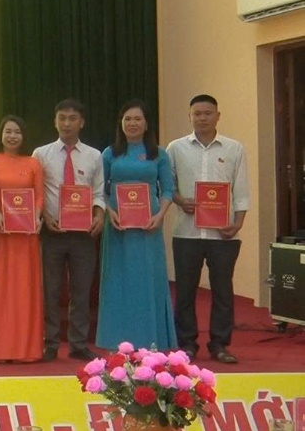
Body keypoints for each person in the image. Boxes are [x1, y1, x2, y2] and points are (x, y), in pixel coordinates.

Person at [167, 94, 250, 364]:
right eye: (197, 113)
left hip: (223, 234)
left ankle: (220, 344)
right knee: (185, 291)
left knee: (223, 291)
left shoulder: (234, 148)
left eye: (207, 113)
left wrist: (238, 222)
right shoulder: (175, 148)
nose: (202, 118)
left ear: (218, 116)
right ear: (190, 116)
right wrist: (180, 200)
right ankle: (187, 344)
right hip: (186, 232)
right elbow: (167, 185)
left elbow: (241, 189)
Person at [98, 100, 176, 351]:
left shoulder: (159, 154)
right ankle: (116, 341)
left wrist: (160, 215)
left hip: (149, 226)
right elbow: (100, 190)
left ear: (146, 124)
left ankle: (151, 339)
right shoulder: (109, 153)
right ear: (121, 124)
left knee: (147, 280)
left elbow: (168, 190)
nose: (132, 123)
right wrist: (109, 211)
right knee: (118, 280)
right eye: (128, 119)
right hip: (118, 226)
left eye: (137, 119)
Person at [33, 99, 107, 362]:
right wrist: (44, 216)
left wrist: (99, 214)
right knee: (51, 290)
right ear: (55, 122)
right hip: (52, 232)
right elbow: (36, 192)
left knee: (81, 290)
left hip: (83, 235)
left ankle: (78, 343)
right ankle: (50, 343)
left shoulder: (94, 156)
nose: (67, 123)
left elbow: (99, 192)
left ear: (81, 122)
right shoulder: (41, 154)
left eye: (72, 118)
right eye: (62, 118)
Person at [0, 115, 46, 362]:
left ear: (23, 136)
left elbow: (39, 196)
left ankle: (27, 349)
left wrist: (36, 216)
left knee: (24, 288)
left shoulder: (34, 164)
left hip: (26, 235)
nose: (12, 136)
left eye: (17, 132)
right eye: (8, 131)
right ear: (1, 135)